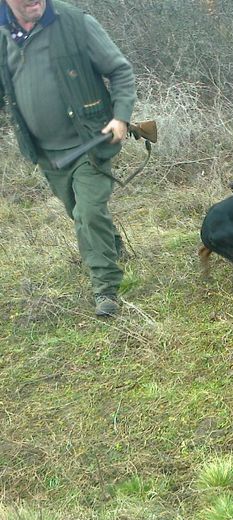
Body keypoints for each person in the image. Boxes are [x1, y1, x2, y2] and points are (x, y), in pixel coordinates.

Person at [0, 0, 136, 317]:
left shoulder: (75, 23)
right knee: (78, 210)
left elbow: (120, 71)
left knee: (87, 214)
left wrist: (121, 117)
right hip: (46, 153)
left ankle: (106, 289)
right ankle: (113, 246)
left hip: (91, 141)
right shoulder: (3, 32)